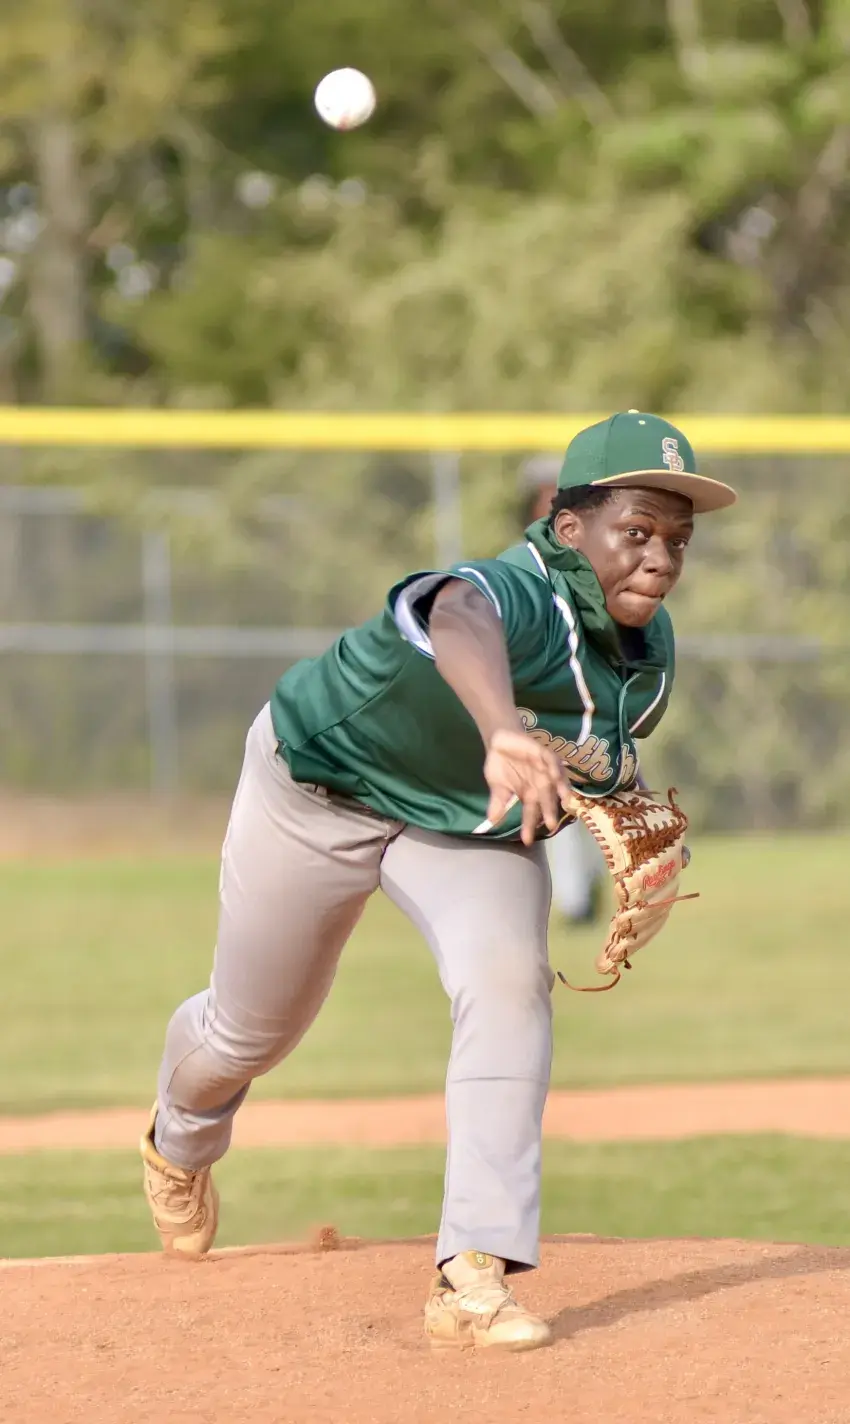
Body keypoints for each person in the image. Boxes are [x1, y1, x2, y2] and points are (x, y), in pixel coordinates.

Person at [141, 411, 736, 1352]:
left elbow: (592, 763)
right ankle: (180, 1138)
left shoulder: (646, 661)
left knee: (509, 982)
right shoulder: (516, 589)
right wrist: (500, 729)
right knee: (253, 1029)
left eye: (677, 539)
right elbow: (458, 614)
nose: (659, 558)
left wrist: (633, 821)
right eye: (636, 530)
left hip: (461, 824)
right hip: (319, 788)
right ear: (567, 525)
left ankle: (472, 1275)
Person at [519, 455, 608, 925]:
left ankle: (591, 886)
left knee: (604, 799)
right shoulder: (520, 564)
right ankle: (575, 901)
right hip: (543, 704)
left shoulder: (597, 561)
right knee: (557, 799)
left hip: (595, 701)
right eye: (545, 495)